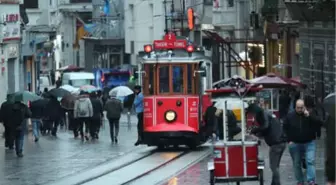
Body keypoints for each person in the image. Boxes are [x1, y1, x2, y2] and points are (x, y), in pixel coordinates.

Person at [247, 103, 286, 185]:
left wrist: (255, 131)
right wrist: (258, 133)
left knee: (273, 167)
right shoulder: (267, 113)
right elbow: (267, 129)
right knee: (276, 166)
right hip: (281, 141)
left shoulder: (262, 113)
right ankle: (274, 183)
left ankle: (277, 183)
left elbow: (265, 126)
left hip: (276, 143)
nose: (252, 115)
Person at [283, 99, 319, 185]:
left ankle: (311, 181)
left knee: (310, 161)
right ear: (295, 107)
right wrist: (288, 140)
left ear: (304, 107)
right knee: (296, 163)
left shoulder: (309, 114)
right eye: (298, 108)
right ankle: (300, 181)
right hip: (295, 143)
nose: (299, 110)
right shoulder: (290, 115)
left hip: (309, 142)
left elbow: (319, 123)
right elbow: (285, 128)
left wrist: (309, 115)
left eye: (301, 108)